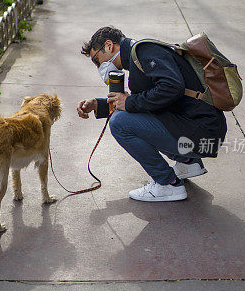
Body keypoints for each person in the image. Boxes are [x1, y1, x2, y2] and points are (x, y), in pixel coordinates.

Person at [77, 26, 227, 202]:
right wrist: (98, 105)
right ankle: (188, 163)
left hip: (201, 133)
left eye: (97, 60)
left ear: (109, 45)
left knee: (120, 123)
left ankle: (167, 184)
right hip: (199, 129)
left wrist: (129, 102)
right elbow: (148, 101)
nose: (99, 66)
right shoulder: (139, 55)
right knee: (131, 116)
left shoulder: (144, 52)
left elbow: (172, 87)